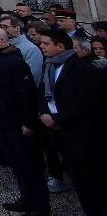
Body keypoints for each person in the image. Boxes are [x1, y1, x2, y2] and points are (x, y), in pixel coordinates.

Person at [0, 27, 49, 215]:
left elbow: (27, 94)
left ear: (3, 41)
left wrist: (28, 122)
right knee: (15, 162)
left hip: (16, 121)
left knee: (29, 163)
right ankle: (26, 197)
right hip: (0, 120)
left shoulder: (15, 62)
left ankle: (41, 204)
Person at [39, 28, 105, 215]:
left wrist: (57, 118)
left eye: (46, 44)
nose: (41, 47)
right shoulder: (50, 66)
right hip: (61, 133)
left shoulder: (83, 70)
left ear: (60, 47)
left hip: (82, 134)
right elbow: (44, 94)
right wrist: (45, 114)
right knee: (79, 181)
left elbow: (87, 103)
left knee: (94, 181)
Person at [3, 14, 44, 85]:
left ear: (17, 28)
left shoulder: (31, 48)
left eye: (6, 27)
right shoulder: (2, 45)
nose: (2, 30)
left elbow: (33, 76)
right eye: (1, 26)